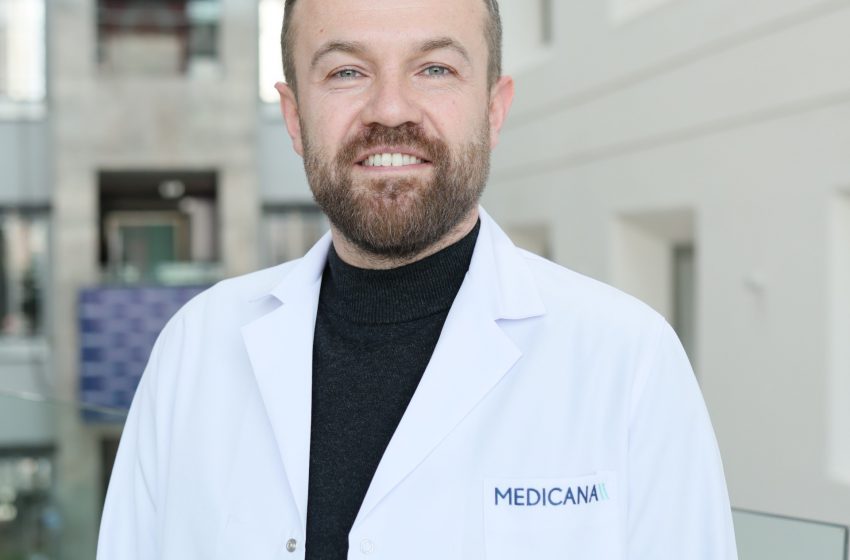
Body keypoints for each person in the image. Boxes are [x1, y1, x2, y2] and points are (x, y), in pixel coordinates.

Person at [97, 0, 738, 558]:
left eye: (434, 69)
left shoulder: (629, 362)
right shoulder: (193, 350)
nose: (389, 110)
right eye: (346, 72)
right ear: (294, 117)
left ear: (494, 110)